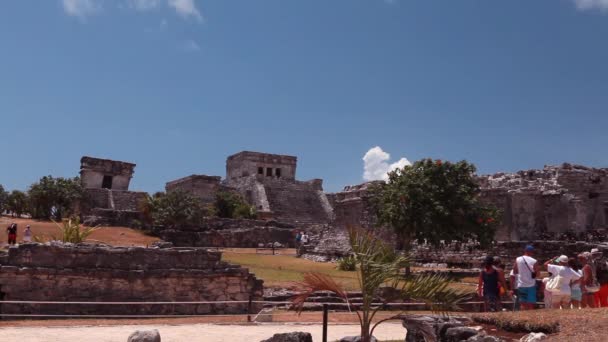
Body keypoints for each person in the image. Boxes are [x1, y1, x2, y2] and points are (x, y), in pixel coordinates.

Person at [513, 245, 539, 310]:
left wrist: (522, 271)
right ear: (532, 252)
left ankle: (523, 318)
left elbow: (515, 271)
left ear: (525, 251)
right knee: (531, 304)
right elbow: (538, 274)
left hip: (521, 284)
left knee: (522, 303)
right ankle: (530, 319)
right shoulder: (534, 261)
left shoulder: (518, 259)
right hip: (531, 285)